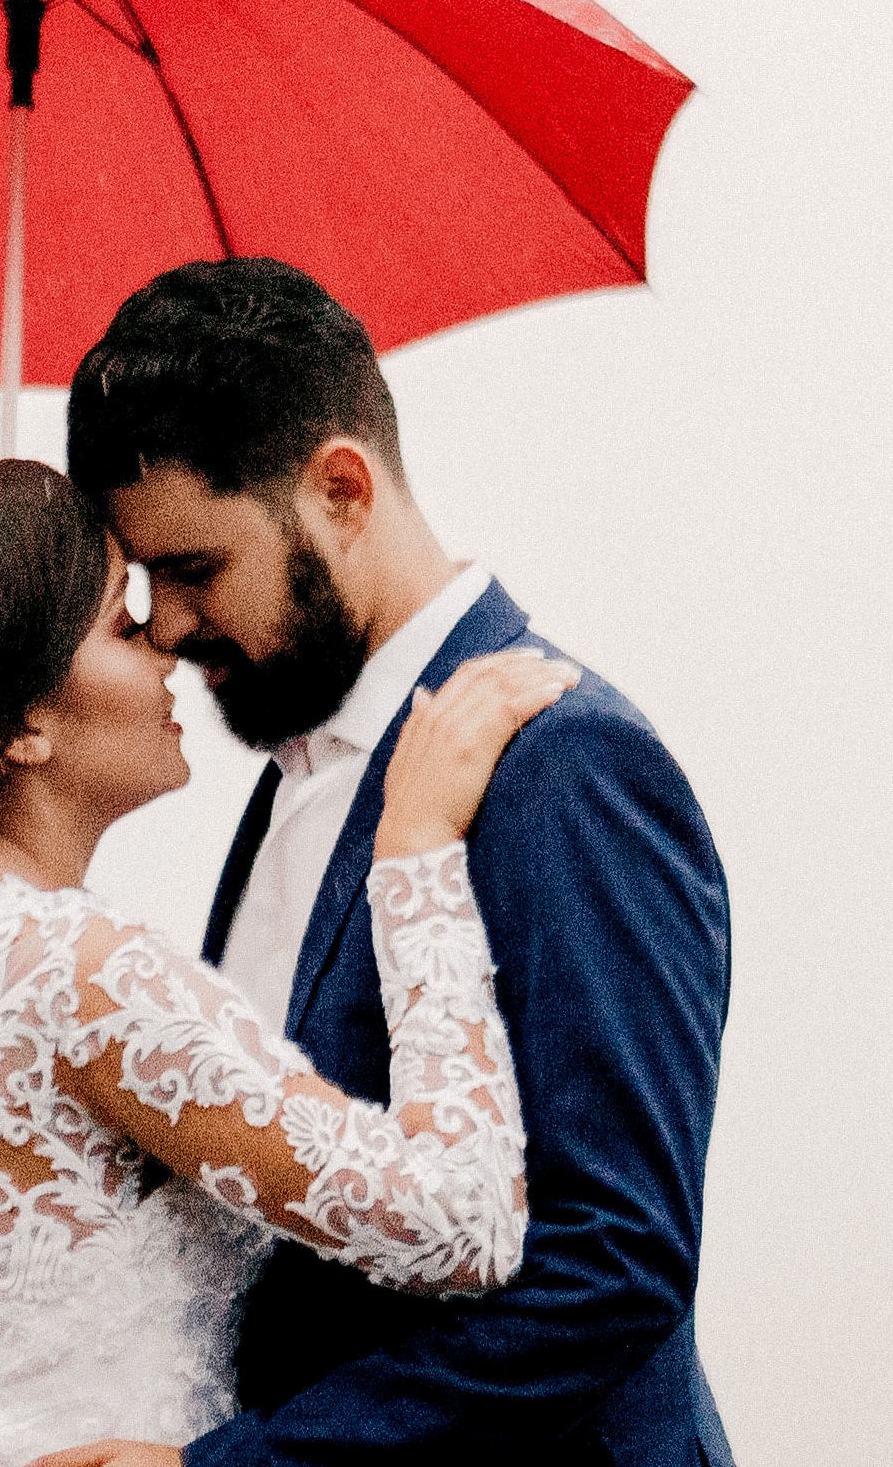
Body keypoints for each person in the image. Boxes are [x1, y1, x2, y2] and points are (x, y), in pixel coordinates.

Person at [0, 460, 577, 1467]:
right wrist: (415, 858)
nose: (166, 645)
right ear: (24, 723)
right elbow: (460, 1220)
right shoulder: (74, 971)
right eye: (122, 623)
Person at [44, 258, 734, 1467]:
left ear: (341, 488)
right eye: (143, 582)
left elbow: (614, 1263)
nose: (165, 624)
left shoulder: (564, 764)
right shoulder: (287, 771)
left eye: (195, 568)